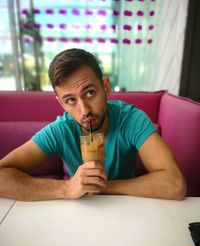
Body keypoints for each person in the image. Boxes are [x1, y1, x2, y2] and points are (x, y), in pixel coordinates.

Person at [0, 48, 186, 201]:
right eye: (71, 100)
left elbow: (175, 184)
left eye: (89, 93)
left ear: (105, 87)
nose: (85, 110)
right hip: (81, 209)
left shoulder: (131, 119)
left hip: (130, 206)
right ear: (61, 104)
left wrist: (104, 186)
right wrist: (66, 188)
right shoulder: (60, 130)